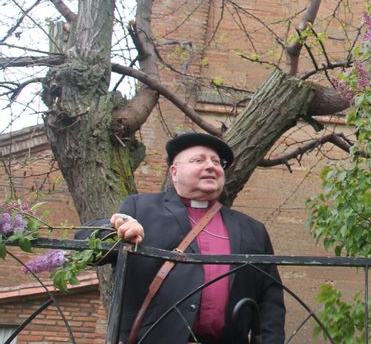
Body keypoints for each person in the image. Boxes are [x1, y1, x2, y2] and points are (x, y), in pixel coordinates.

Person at [83, 132, 285, 344]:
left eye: (216, 162)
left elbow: (270, 299)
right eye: (198, 160)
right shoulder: (140, 208)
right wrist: (114, 229)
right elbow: (88, 247)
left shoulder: (252, 229)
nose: (211, 166)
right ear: (174, 172)